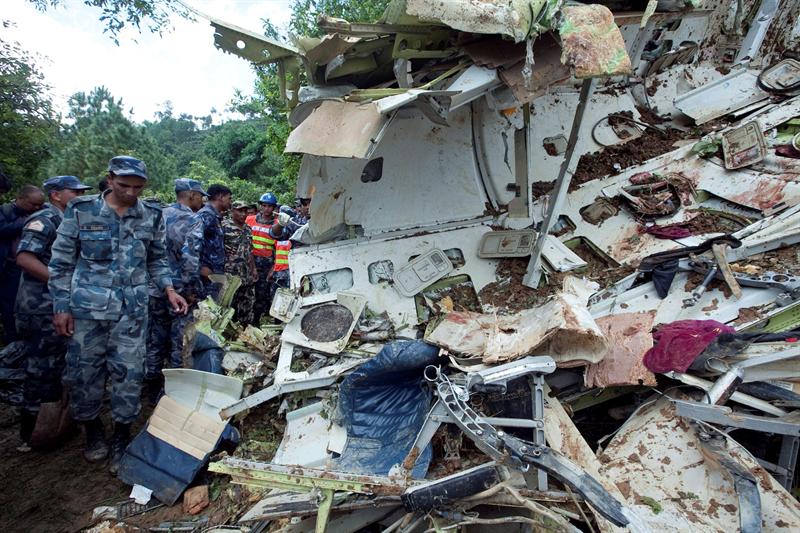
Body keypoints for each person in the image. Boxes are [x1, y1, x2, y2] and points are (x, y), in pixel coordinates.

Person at [48, 155, 188, 475]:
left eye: (138, 187)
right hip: (87, 311)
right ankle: (93, 430)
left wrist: (168, 288)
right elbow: (61, 264)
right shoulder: (81, 211)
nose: (130, 193)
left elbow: (157, 259)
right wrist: (60, 307)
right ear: (110, 179)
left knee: (129, 374)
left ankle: (121, 436)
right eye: (124, 185)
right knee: (84, 375)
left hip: (133, 311)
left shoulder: (151, 215)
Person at [15, 176, 92, 450]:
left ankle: (56, 426)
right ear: (57, 195)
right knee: (41, 370)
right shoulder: (44, 220)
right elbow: (24, 258)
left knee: (61, 365)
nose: (81, 196)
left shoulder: (71, 221)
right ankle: (31, 434)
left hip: (63, 305)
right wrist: (60, 283)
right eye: (76, 192)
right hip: (41, 307)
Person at [144, 179, 206, 400]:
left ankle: (151, 383)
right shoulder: (192, 220)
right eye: (200, 195)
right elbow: (191, 259)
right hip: (179, 292)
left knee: (154, 337)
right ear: (190, 195)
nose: (202, 199)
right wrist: (189, 290)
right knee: (180, 340)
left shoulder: (158, 215)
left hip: (154, 288)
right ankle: (175, 390)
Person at [0, 185, 45, 343]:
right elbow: (3, 229)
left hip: (34, 268)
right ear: (20, 199)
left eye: (40, 205)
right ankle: (12, 342)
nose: (37, 208)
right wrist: (28, 222)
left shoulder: (44, 213)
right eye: (33, 204)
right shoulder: (5, 212)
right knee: (10, 307)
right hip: (9, 268)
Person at [184, 184, 232, 300]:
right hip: (205, 279)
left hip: (214, 276)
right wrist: (199, 267)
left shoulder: (215, 216)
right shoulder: (207, 215)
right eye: (229, 198)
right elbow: (189, 242)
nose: (231, 202)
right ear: (221, 197)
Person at [246, 192, 279, 324]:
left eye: (270, 206)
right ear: (260, 206)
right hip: (250, 261)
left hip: (266, 264)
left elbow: (279, 249)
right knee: (246, 291)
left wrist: (273, 268)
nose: (267, 209)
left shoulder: (277, 224)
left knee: (262, 293)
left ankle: (256, 321)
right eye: (264, 206)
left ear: (274, 208)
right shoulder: (250, 220)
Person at [222, 201, 257, 324]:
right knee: (227, 307)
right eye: (240, 211)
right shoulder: (224, 227)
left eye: (245, 211)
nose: (243, 214)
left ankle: (244, 333)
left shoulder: (248, 229)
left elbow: (250, 250)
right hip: (230, 275)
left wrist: (253, 269)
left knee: (247, 306)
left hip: (246, 275)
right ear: (232, 211)